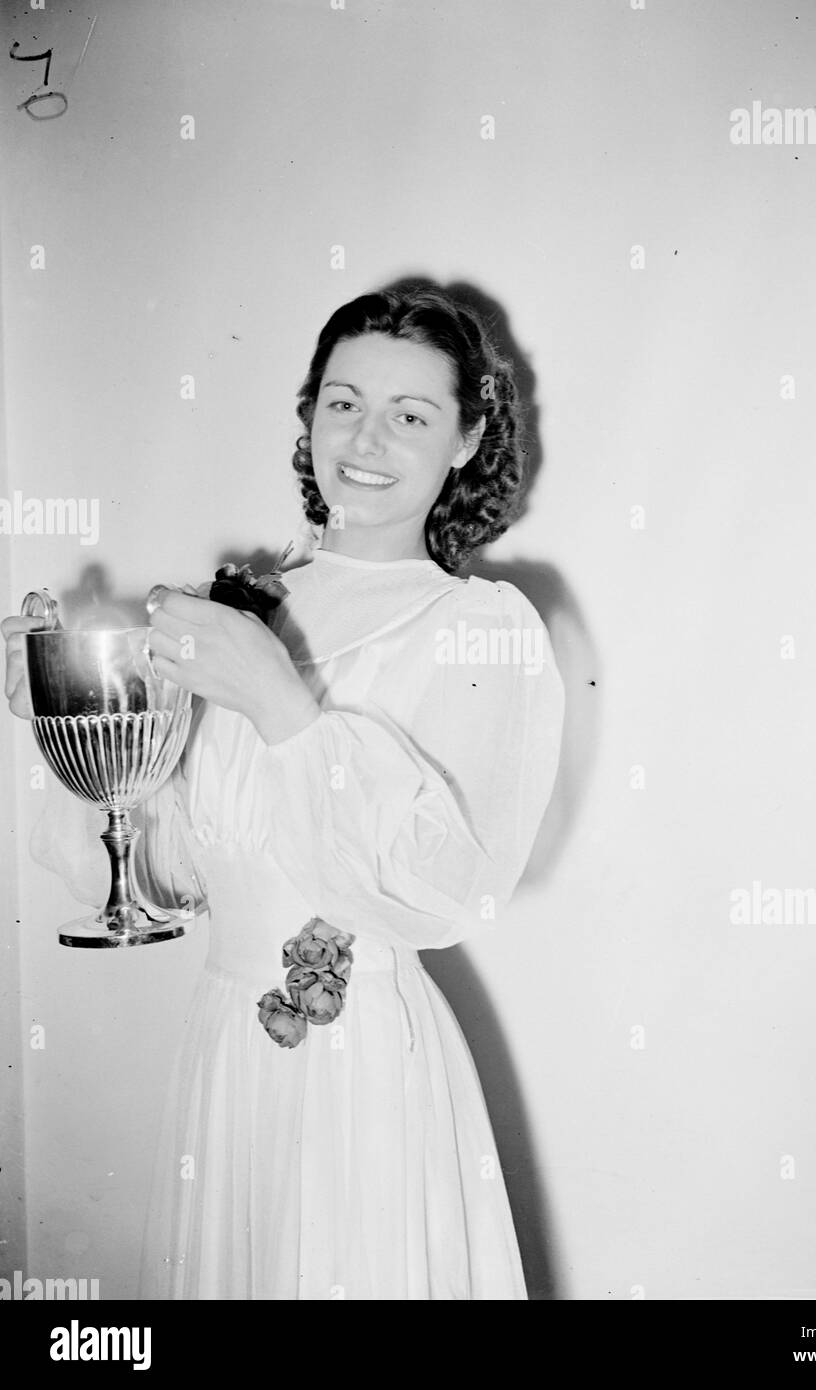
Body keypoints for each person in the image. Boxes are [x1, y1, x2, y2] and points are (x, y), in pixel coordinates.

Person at [3, 284, 565, 1300]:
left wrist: (280, 702)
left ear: (468, 439)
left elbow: (450, 892)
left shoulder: (480, 625)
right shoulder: (231, 610)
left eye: (411, 414)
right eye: (343, 401)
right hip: (228, 1053)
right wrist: (68, 722)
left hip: (364, 1078)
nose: (366, 438)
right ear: (306, 417)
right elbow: (173, 874)